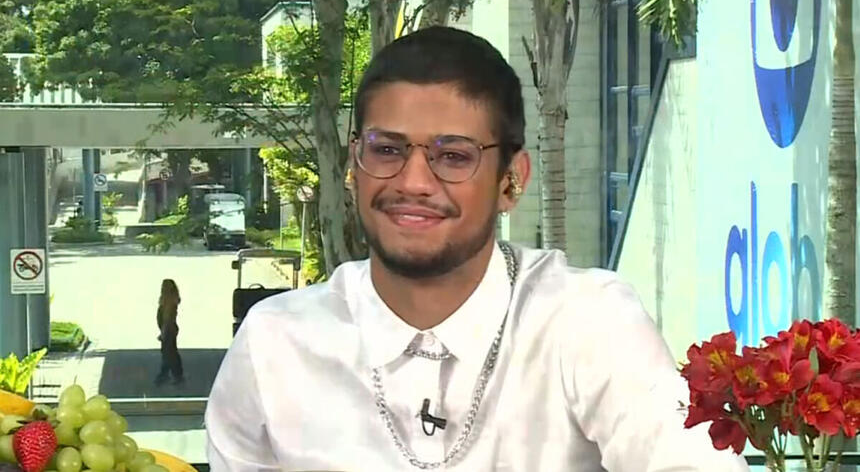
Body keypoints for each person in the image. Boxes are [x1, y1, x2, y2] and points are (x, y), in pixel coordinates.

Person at [206, 27, 749, 471]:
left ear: (511, 181)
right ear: (354, 166)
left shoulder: (585, 321)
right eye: (387, 149)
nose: (413, 181)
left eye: (453, 155)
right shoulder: (276, 344)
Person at [155, 278, 184, 386]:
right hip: (170, 329)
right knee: (169, 352)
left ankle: (172, 375)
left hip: (169, 330)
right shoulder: (170, 301)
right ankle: (169, 374)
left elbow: (167, 319)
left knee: (169, 352)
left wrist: (163, 332)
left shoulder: (168, 302)